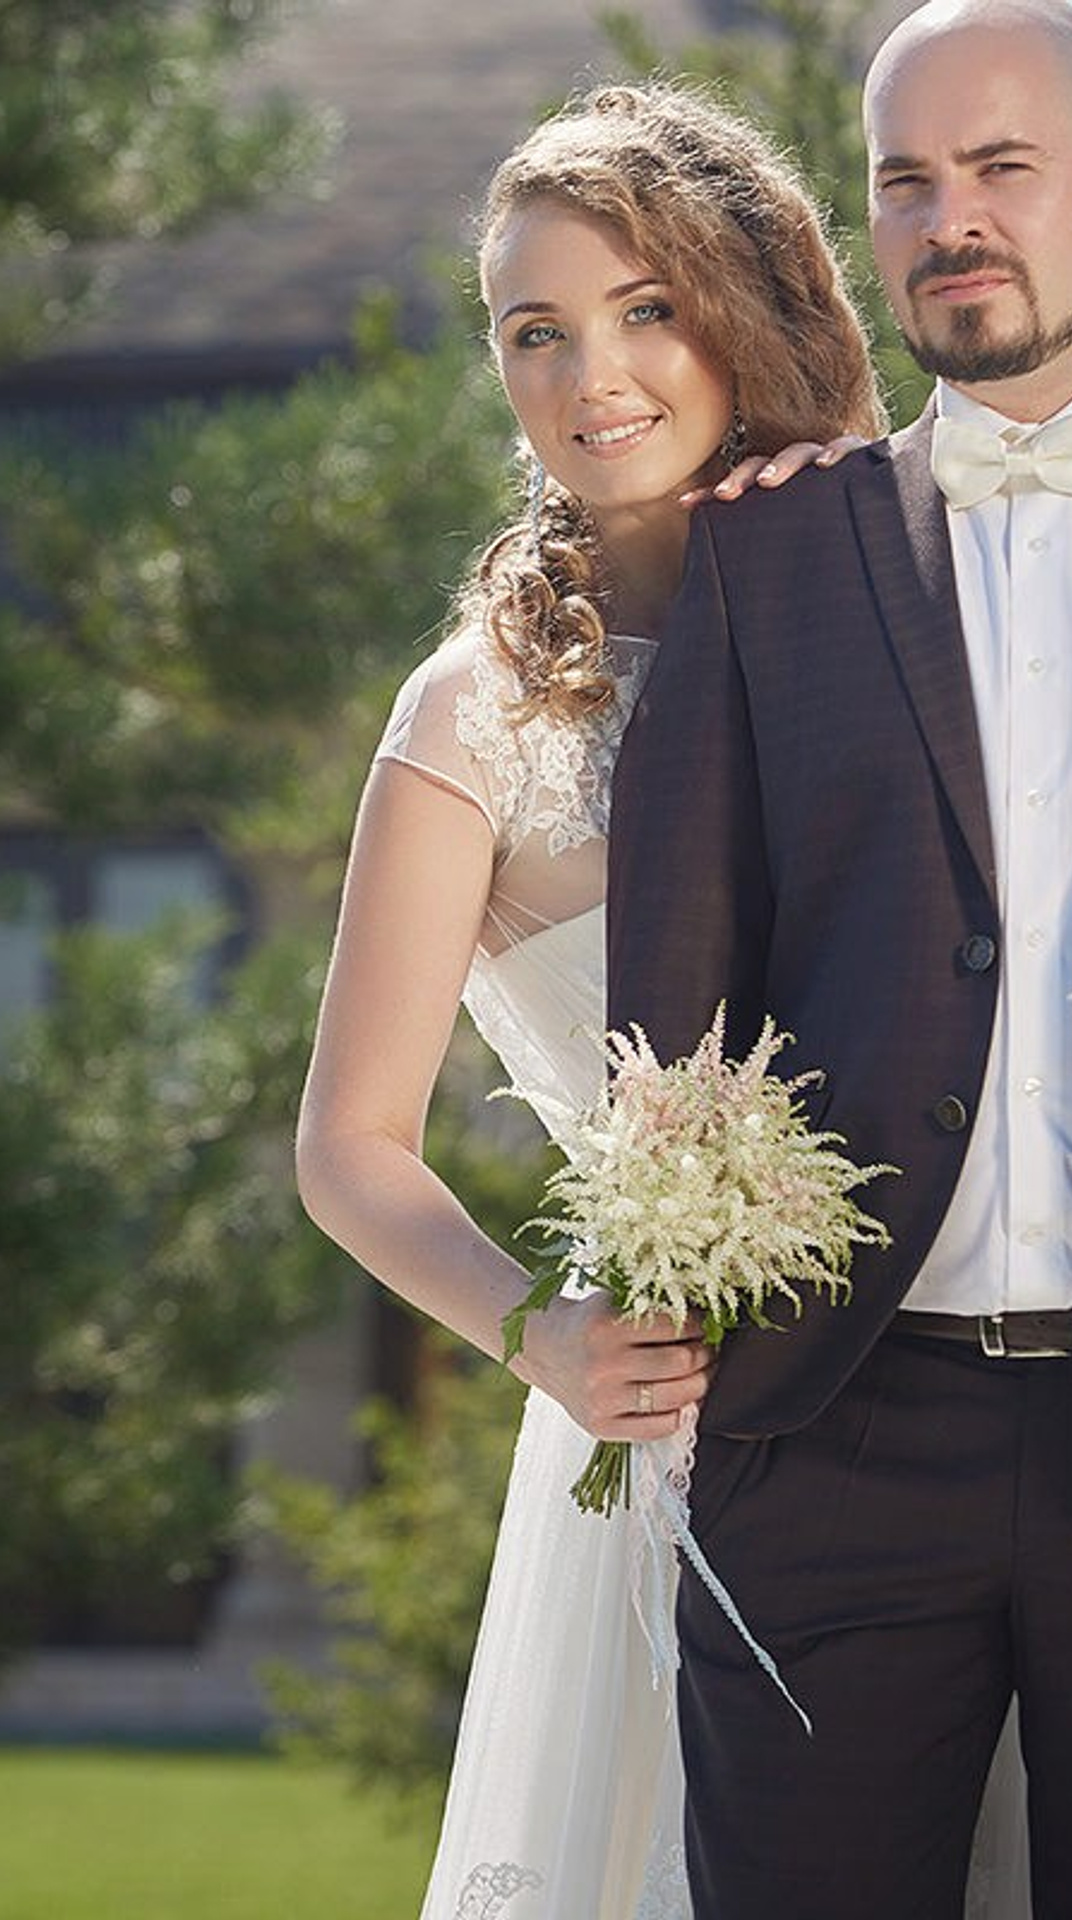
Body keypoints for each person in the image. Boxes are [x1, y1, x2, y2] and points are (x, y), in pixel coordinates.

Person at [296, 78, 883, 1919]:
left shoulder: (912, 593)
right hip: (672, 1425)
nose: (589, 375)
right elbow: (351, 1146)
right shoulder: (472, 716)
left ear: (748, 308)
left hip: (966, 1398)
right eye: (532, 332)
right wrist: (539, 1330)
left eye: (645, 309)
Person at [607, 2, 1072, 1916]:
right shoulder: (772, 557)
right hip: (843, 1435)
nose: (949, 218)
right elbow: (674, 1002)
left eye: (1003, 168)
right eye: (906, 182)